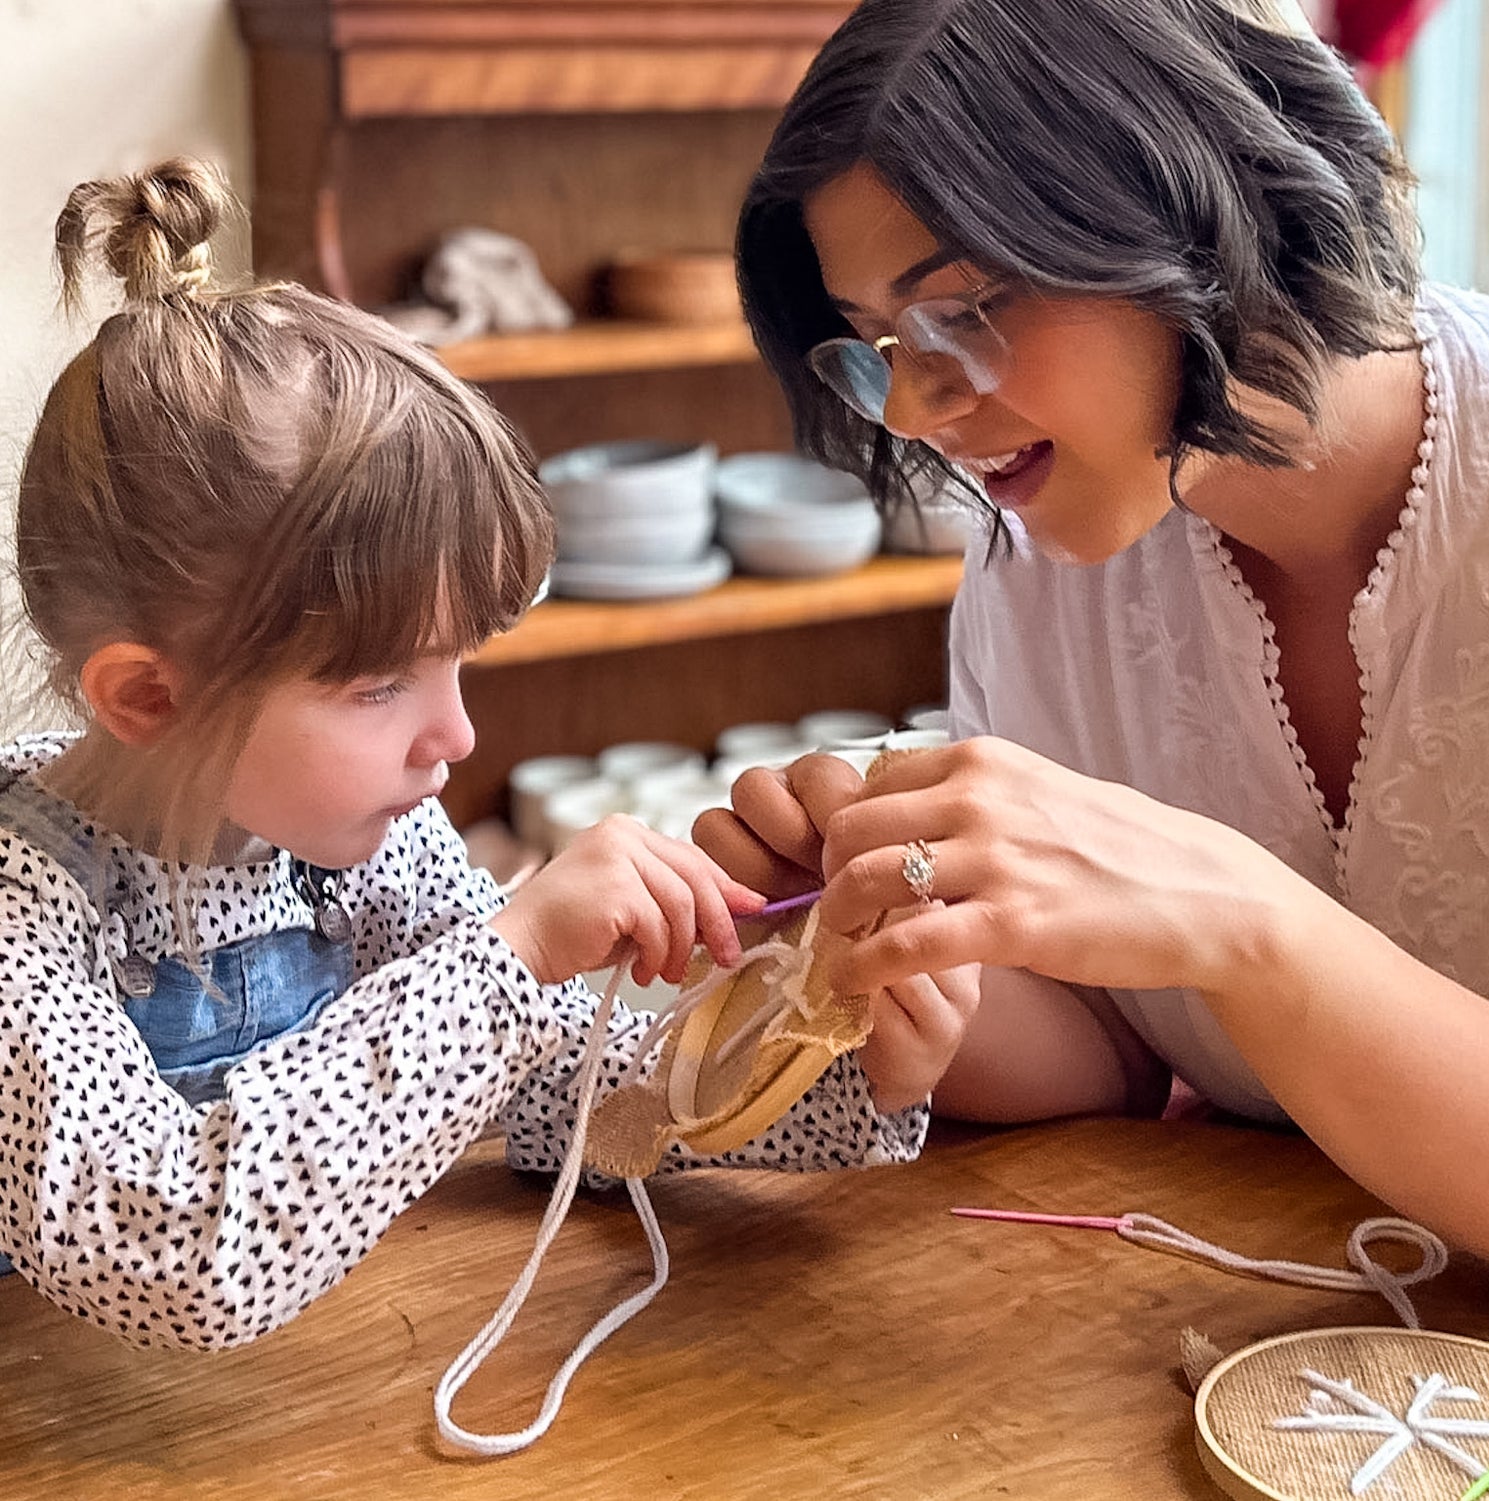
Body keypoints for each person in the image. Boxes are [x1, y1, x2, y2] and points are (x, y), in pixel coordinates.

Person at [701, 0, 1489, 1305]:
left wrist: (1228, 910)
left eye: (965, 308)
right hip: (1282, 1262)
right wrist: (906, 958)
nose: (921, 412)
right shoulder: (1045, 550)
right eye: (879, 349)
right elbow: (1118, 1040)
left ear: (1191, 197)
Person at [0, 159, 947, 1352]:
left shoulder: (358, 846)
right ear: (149, 696)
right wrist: (511, 959)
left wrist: (828, 1057)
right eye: (381, 684)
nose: (456, 738)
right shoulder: (22, 916)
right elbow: (174, 1254)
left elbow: (558, 1106)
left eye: (461, 663)